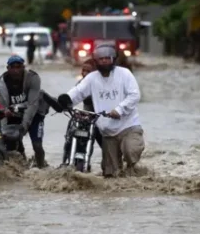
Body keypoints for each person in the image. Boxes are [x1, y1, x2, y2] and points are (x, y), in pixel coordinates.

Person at [58, 45, 145, 178]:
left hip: (128, 126)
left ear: (113, 59)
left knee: (130, 151)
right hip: (108, 133)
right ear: (96, 61)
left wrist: (119, 110)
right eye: (101, 59)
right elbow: (78, 91)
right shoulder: (92, 78)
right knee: (111, 175)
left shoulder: (125, 74)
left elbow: (134, 95)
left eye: (107, 58)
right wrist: (66, 100)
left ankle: (133, 169)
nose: (104, 61)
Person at [0, 55, 49, 168]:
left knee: (37, 145)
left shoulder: (33, 78)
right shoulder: (1, 82)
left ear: (23, 67)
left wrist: (24, 126)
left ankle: (41, 168)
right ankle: (22, 167)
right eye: (12, 67)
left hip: (35, 114)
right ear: (7, 68)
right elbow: (3, 108)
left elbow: (32, 105)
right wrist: (4, 131)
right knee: (11, 143)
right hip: (14, 113)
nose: (16, 70)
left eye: (19, 67)